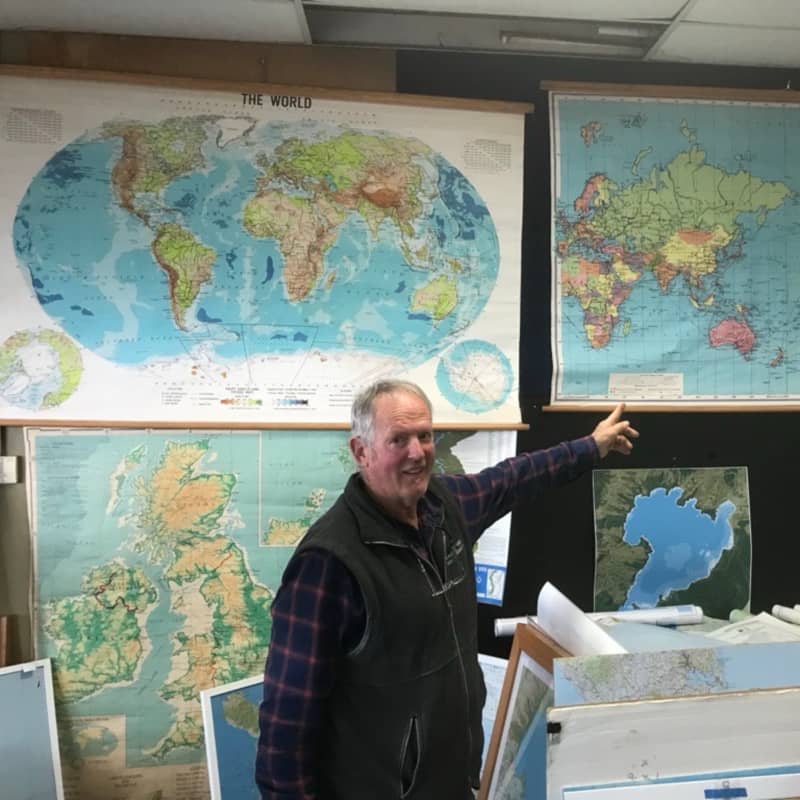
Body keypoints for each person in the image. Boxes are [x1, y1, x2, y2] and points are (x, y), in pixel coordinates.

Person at [255, 379, 638, 800]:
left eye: (424, 436)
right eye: (398, 439)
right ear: (361, 451)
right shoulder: (328, 563)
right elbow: (285, 731)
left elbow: (515, 478)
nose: (417, 452)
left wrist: (592, 446)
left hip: (452, 780)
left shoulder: (444, 507)